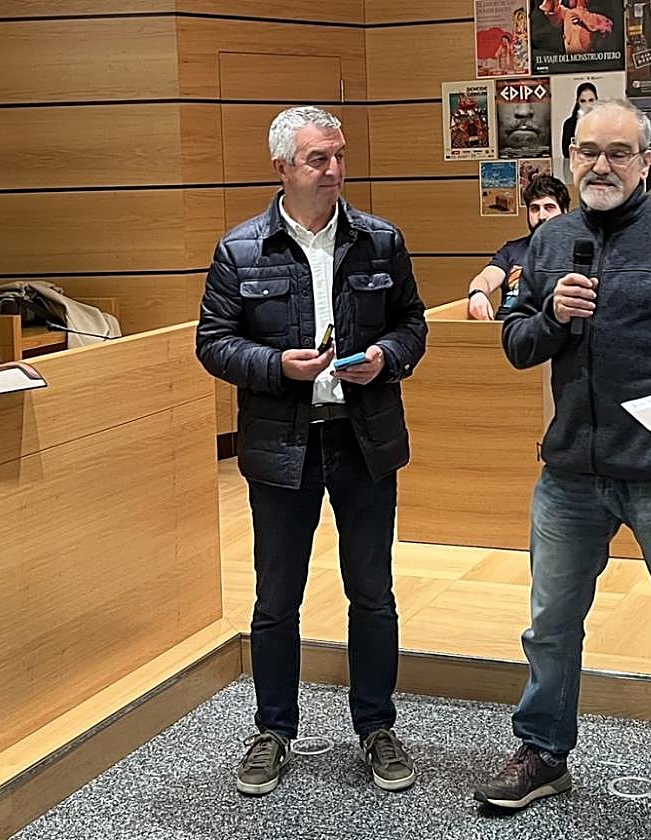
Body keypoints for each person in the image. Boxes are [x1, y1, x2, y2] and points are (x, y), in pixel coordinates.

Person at [473, 99, 651, 840]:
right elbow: (518, 344)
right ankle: (543, 752)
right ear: (570, 158)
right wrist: (552, 318)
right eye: (587, 151)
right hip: (569, 471)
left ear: (646, 164)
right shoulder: (549, 242)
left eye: (618, 153)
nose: (600, 166)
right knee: (550, 625)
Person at [195, 106, 427, 797]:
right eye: (317, 160)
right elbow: (213, 342)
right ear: (282, 169)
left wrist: (386, 355)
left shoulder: (380, 240)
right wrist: (278, 366)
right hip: (282, 446)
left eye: (338, 157)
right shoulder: (241, 250)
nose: (333, 171)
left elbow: (414, 323)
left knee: (373, 593)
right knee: (276, 599)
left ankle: (376, 728)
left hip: (364, 442)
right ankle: (273, 730)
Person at [468, 175, 571, 320]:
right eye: (534, 208)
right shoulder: (512, 250)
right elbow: (486, 278)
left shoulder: (577, 252)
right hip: (506, 331)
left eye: (549, 207)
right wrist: (477, 293)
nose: (541, 216)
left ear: (565, 212)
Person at [560, 82, 598, 182]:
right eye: (583, 101)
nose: (587, 105)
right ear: (577, 102)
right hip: (575, 173)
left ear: (596, 101)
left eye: (591, 100)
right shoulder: (569, 124)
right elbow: (566, 153)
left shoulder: (604, 123)